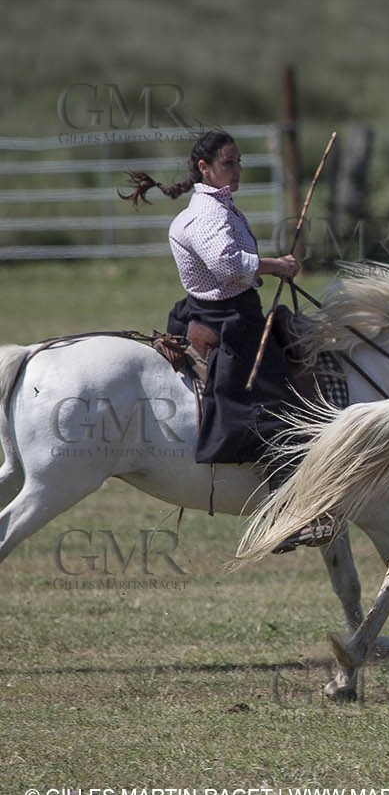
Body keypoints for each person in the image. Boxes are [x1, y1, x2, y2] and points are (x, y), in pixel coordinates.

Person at [122, 131, 325, 544]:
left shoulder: (218, 206)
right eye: (228, 163)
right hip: (228, 319)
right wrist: (276, 264)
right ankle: (282, 516)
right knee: (278, 403)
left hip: (227, 310)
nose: (237, 169)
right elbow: (229, 268)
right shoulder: (208, 215)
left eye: (239, 161)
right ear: (204, 167)